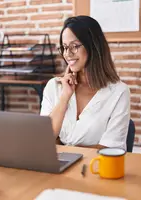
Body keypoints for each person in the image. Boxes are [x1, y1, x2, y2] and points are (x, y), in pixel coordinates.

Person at [40, 16, 130, 150]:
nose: (68, 54)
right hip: (58, 166)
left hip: (96, 167)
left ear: (93, 46)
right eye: (64, 47)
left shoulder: (119, 92)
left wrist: (65, 149)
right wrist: (65, 97)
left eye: (74, 46)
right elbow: (44, 138)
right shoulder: (54, 86)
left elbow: (110, 147)